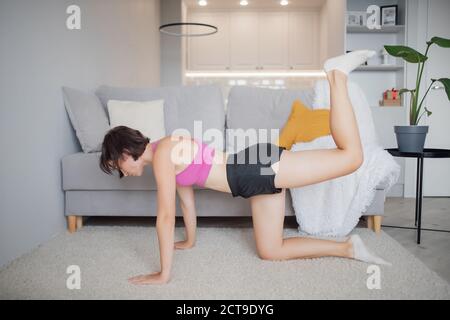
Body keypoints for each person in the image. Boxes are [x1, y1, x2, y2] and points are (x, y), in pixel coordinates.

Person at [99, 50, 390, 285]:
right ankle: (347, 248)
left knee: (351, 158)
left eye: (118, 166)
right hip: (250, 178)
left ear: (126, 152)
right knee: (271, 251)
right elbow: (185, 205)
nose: (122, 173)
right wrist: (188, 241)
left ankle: (336, 76)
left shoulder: (162, 154)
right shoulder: (166, 152)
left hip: (256, 167)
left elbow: (163, 218)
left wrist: (163, 274)